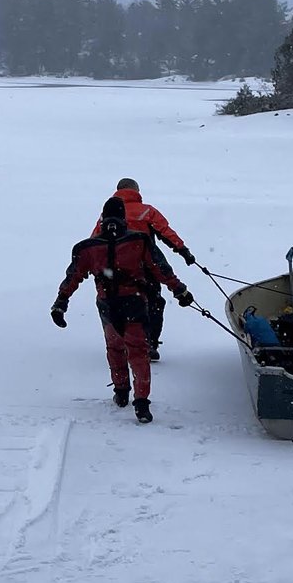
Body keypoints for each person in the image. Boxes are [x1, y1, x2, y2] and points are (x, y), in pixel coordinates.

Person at [53, 195, 194, 422]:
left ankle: (121, 391)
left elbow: (73, 276)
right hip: (134, 302)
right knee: (139, 353)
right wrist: (180, 291)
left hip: (108, 305)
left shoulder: (88, 247)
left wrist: (61, 302)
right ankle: (141, 402)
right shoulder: (139, 241)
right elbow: (161, 269)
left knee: (115, 348)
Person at [92, 179, 196, 360]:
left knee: (117, 302)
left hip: (115, 269)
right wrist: (183, 251)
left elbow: (94, 241)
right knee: (153, 302)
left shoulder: (106, 216)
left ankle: (123, 343)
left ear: (118, 191)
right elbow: (166, 232)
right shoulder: (147, 211)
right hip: (146, 265)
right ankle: (148, 344)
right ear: (136, 191)